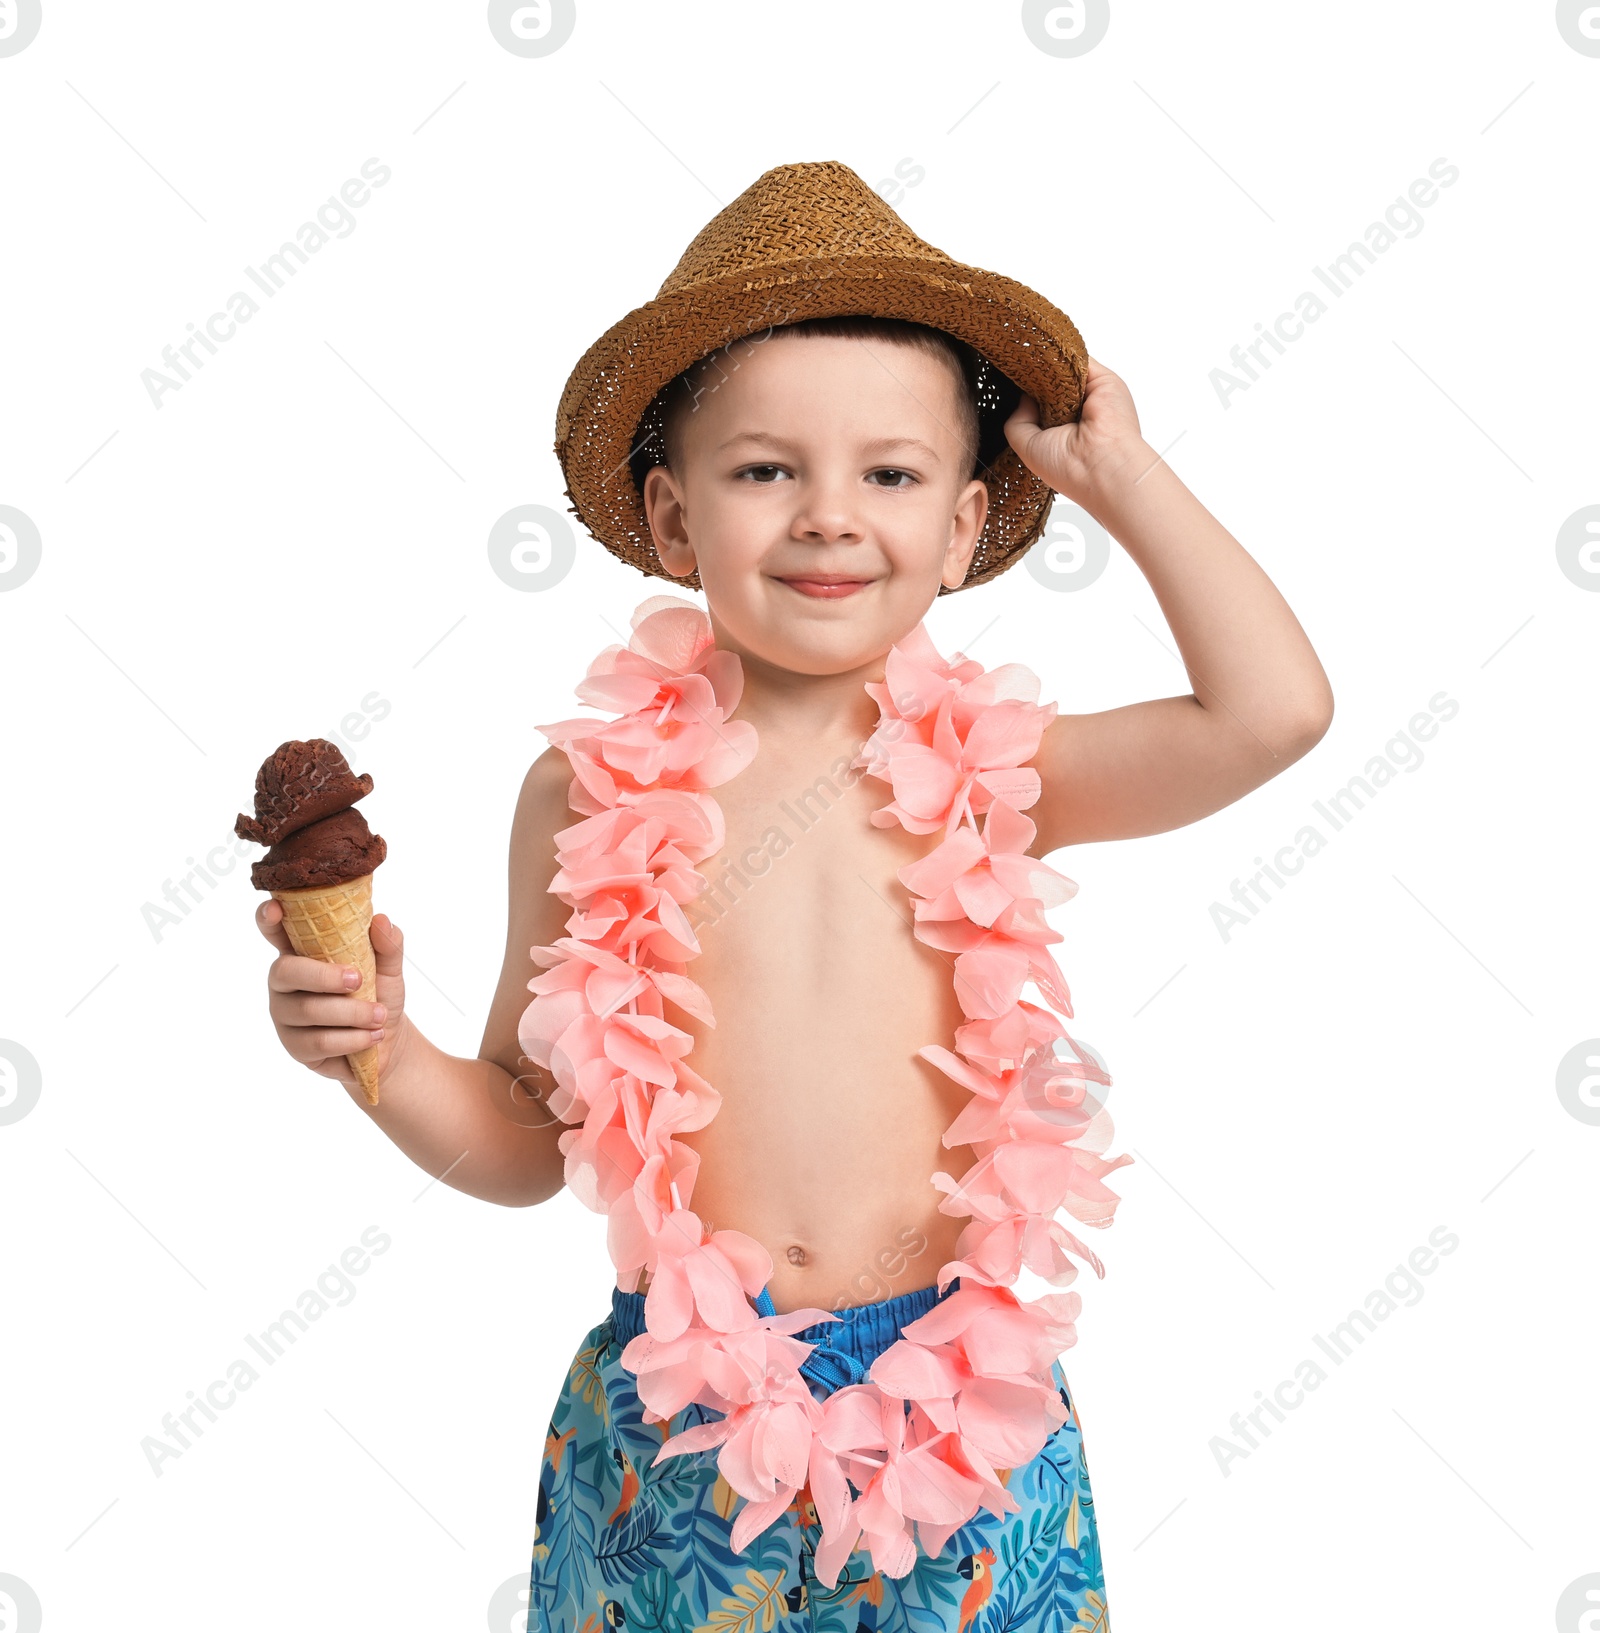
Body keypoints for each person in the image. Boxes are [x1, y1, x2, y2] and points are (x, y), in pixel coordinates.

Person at [252, 162, 1333, 1630]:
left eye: (889, 474)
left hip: (962, 1420)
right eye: (768, 470)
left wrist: (1122, 480)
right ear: (673, 515)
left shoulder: (1006, 773)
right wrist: (377, 1050)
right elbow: (519, 1129)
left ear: (963, 528)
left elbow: (1271, 713)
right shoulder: (586, 800)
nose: (829, 515)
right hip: (682, 1430)